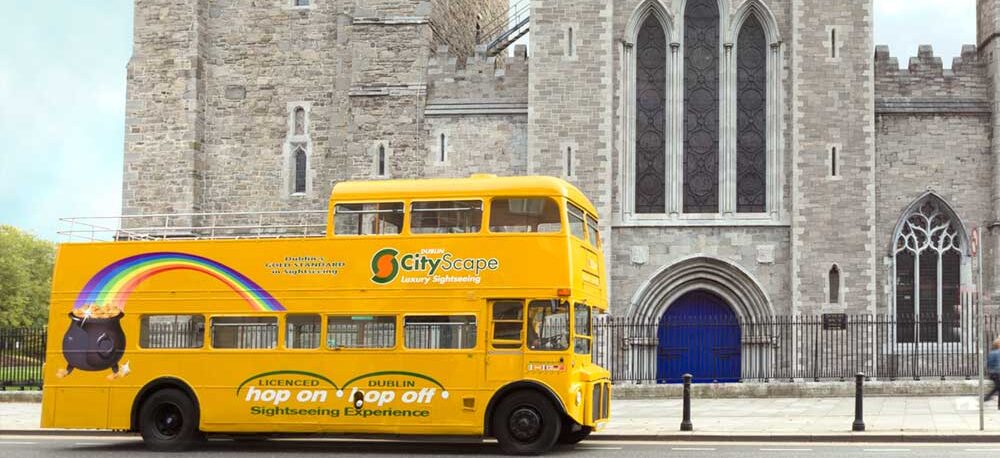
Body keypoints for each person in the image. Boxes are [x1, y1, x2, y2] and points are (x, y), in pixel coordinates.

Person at [985, 338, 1000, 402]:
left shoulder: (991, 353)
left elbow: (988, 364)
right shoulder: (998, 353)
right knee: (998, 387)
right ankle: (987, 397)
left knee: (998, 387)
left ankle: (987, 397)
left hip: (992, 373)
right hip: (997, 373)